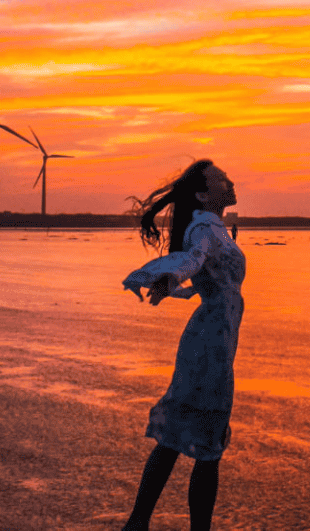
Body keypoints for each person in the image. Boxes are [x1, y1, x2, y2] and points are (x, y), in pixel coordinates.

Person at [120, 159, 245, 531]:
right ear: (205, 194)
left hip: (215, 340)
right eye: (220, 178)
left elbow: (205, 271)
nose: (230, 180)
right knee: (205, 445)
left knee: (179, 435)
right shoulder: (205, 227)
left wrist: (173, 284)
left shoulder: (214, 228)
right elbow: (193, 259)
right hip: (210, 345)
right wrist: (166, 274)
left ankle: (137, 523)